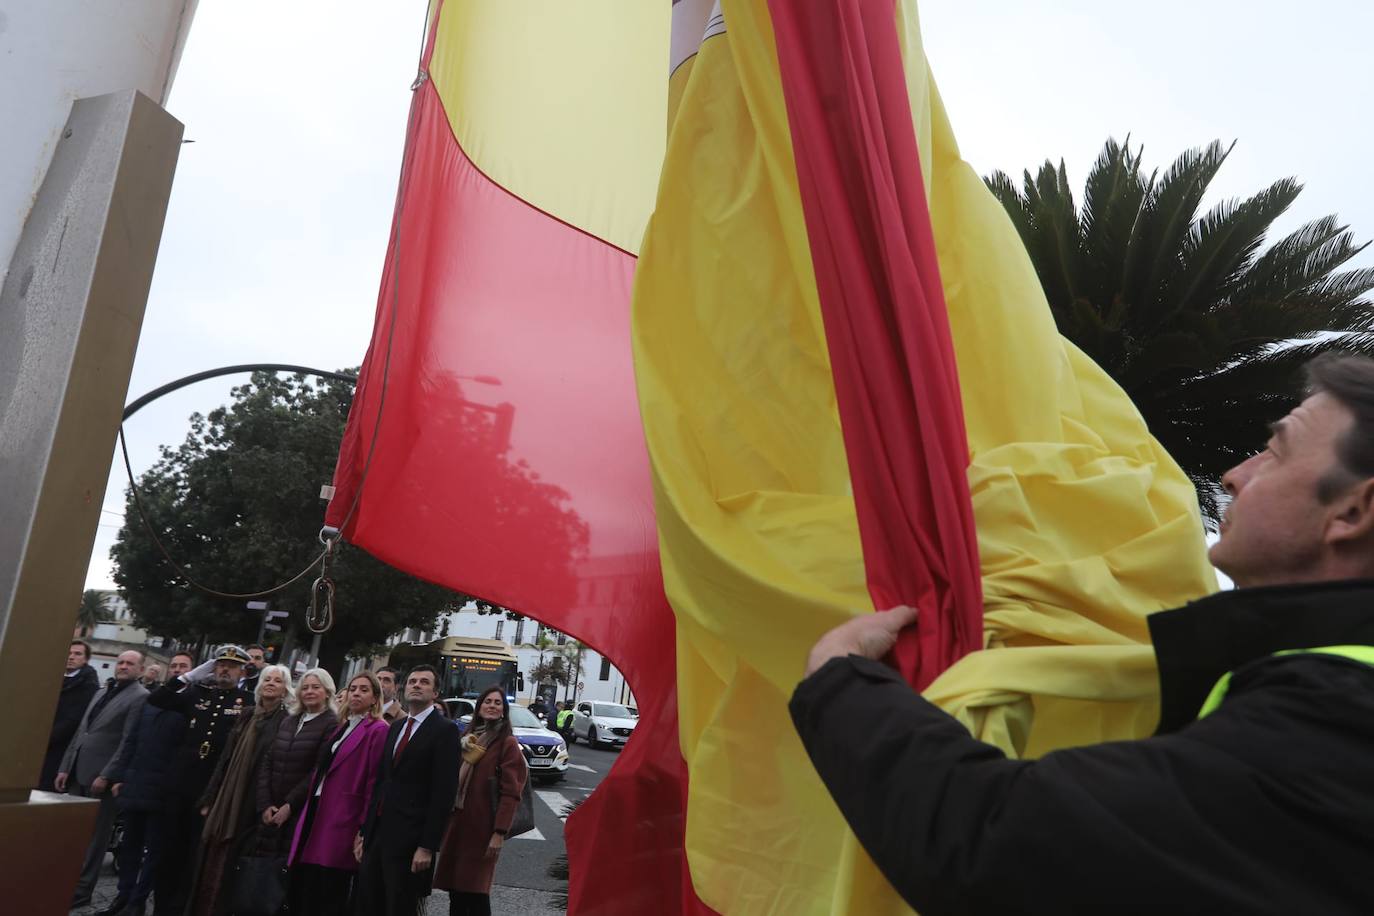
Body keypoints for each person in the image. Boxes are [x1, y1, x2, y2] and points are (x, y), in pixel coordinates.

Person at [790, 353, 1374, 916]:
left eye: (1274, 452)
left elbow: (1000, 843)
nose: (1237, 474)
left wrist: (840, 680)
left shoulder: (1333, 720)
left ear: (1353, 511)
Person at [145, 645, 255, 915]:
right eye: (220, 665)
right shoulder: (196, 693)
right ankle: (163, 906)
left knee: (196, 854)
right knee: (168, 850)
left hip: (210, 789)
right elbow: (157, 699)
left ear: (242, 671)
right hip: (179, 784)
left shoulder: (247, 701)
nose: (224, 670)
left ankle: (185, 906)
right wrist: (188, 676)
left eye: (231, 666)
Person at [185, 663, 292, 916]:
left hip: (252, 800)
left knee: (236, 864)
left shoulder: (286, 722)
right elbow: (225, 759)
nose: (270, 684)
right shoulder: (246, 714)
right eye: (267, 679)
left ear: (285, 689)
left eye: (277, 681)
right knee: (210, 858)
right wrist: (210, 797)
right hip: (226, 798)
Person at [356, 665, 460, 916]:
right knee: (369, 902)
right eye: (412, 681)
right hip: (379, 832)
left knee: (399, 905)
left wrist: (427, 846)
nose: (416, 685)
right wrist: (365, 832)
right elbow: (382, 782)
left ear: (435, 693)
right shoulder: (396, 727)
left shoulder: (444, 730)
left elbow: (443, 794)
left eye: (424, 682)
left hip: (411, 839)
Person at [287, 671, 390, 915]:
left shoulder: (378, 729)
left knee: (330, 888)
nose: (356, 693)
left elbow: (374, 782)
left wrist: (364, 828)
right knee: (308, 884)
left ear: (375, 698)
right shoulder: (344, 726)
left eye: (364, 690)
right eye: (353, 688)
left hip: (344, 817)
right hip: (319, 811)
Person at [103, 651, 194, 916]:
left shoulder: (192, 703)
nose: (177, 670)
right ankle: (124, 895)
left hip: (163, 790)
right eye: (174, 665)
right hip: (136, 783)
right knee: (129, 846)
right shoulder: (150, 700)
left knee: (154, 850)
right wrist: (120, 775)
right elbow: (131, 740)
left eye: (183, 667)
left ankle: (138, 900)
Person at [58, 649, 149, 909]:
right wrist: (65, 766)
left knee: (96, 838)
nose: (123, 666)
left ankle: (82, 890)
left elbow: (128, 740)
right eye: (120, 662)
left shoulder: (140, 697)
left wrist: (108, 774)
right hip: (77, 770)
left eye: (130, 663)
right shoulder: (101, 691)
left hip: (101, 777)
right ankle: (65, 882)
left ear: (141, 670)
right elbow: (81, 731)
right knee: (74, 834)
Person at [434, 686, 527, 916]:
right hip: (458, 825)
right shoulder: (468, 738)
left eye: (497, 703)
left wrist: (499, 832)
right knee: (456, 892)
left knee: (475, 893)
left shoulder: (507, 743)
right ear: (479, 707)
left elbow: (511, 792)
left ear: (504, 711)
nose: (492, 706)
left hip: (483, 831)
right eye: (488, 702)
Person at [252, 668, 338, 868]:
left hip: (297, 809)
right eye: (305, 687)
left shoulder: (331, 724)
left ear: (327, 692)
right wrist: (265, 802)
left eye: (316, 687)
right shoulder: (289, 720)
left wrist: (290, 804)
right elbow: (268, 760)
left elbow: (319, 769)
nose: (309, 691)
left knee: (282, 868)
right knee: (258, 868)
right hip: (270, 805)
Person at [41, 638, 100, 790]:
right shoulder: (52, 677)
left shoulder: (88, 684)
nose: (71, 657)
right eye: (68, 653)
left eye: (77, 654)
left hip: (60, 747)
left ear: (86, 659)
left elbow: (74, 719)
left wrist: (44, 739)